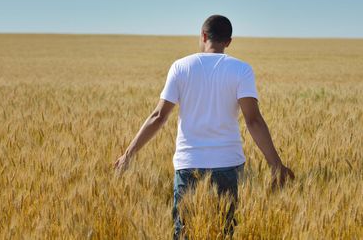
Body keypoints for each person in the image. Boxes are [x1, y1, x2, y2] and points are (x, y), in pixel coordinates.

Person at [114, 15, 295, 239]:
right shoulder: (241, 70)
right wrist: (276, 164)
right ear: (229, 41)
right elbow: (253, 121)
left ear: (203, 35)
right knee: (227, 230)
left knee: (185, 232)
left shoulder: (181, 67)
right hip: (228, 164)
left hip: (188, 165)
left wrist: (128, 154)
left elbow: (159, 116)